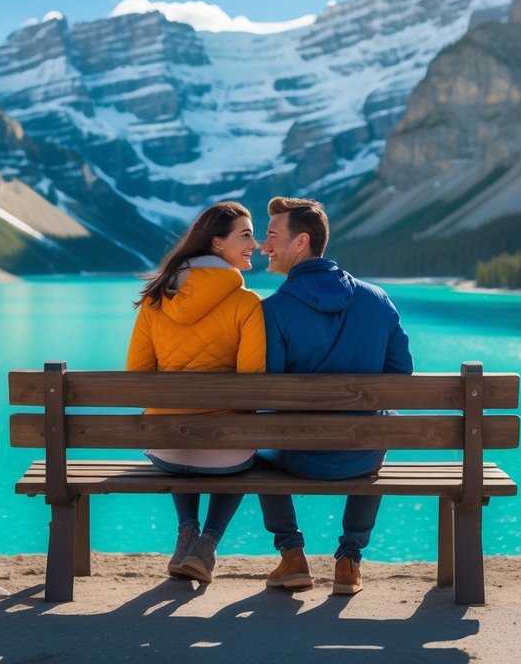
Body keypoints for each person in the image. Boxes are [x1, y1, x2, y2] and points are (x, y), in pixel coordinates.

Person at [256, 196, 413, 595]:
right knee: (380, 428)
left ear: (301, 242)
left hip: (298, 456)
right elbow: (401, 375)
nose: (263, 246)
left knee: (254, 450)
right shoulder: (377, 299)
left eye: (272, 236)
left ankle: (292, 555)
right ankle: (349, 560)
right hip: (362, 455)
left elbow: (269, 388)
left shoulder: (273, 310)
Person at [126, 201, 265, 584]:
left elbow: (136, 377)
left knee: (177, 427)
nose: (255, 243)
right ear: (217, 244)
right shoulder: (247, 304)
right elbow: (252, 386)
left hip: (165, 449)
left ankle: (186, 530)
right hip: (226, 455)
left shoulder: (155, 299)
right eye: (247, 234)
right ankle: (207, 543)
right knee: (251, 449)